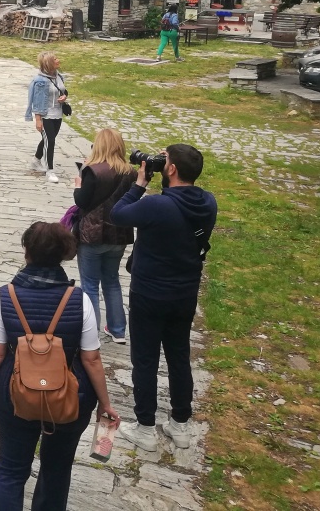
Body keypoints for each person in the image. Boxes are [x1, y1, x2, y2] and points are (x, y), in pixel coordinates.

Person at [0, 222, 119, 511]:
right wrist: (105, 404)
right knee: (57, 470)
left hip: (14, 394)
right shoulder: (79, 300)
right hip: (70, 397)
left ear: (27, 252)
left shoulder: (6, 296)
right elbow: (91, 359)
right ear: (63, 255)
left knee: (10, 468)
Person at [111, 144, 217, 452]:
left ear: (170, 169)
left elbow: (118, 214)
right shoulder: (207, 202)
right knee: (179, 356)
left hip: (149, 293)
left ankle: (145, 427)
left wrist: (140, 184)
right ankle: (180, 424)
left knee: (145, 360)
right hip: (185, 292)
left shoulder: (156, 205)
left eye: (164, 159)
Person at [72, 129, 135, 343]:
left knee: (90, 284)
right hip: (119, 234)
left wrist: (78, 184)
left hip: (93, 234)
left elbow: (82, 201)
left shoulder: (93, 171)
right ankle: (118, 330)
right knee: (112, 280)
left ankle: (91, 333)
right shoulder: (130, 172)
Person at [25, 51, 68, 184]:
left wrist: (64, 96)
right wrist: (38, 119)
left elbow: (63, 90)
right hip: (46, 115)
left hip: (58, 114)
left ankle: (36, 161)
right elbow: (37, 101)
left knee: (48, 140)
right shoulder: (40, 81)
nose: (58, 60)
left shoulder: (59, 76)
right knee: (50, 141)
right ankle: (50, 171)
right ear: (49, 63)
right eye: (55, 59)